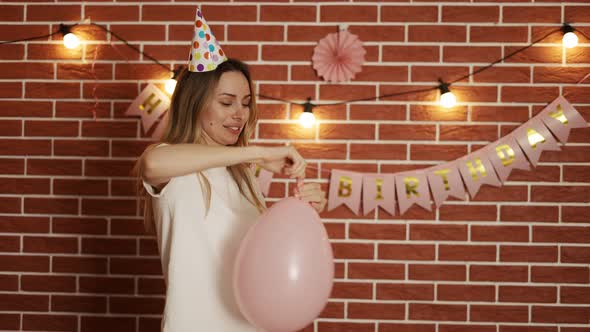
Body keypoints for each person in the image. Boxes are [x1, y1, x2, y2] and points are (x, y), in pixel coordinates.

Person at [131, 7, 327, 332]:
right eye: (226, 102)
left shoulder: (244, 176)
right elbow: (151, 164)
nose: (240, 114)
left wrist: (303, 212)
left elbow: (259, 261)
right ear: (195, 103)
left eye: (246, 102)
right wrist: (255, 152)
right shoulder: (171, 163)